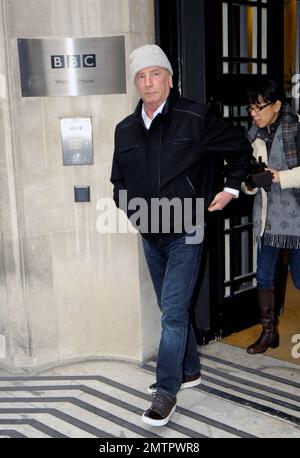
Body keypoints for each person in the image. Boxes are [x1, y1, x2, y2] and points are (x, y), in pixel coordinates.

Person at [110, 44, 252, 426]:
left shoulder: (195, 116)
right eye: (141, 76)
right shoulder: (124, 128)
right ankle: (189, 370)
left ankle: (165, 392)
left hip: (187, 228)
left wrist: (231, 189)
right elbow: (117, 181)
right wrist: (135, 213)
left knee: (172, 313)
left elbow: (240, 149)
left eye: (155, 74)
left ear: (169, 80)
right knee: (171, 309)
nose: (148, 82)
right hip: (150, 234)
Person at [244, 78, 300, 355]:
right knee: (265, 275)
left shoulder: (297, 127)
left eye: (259, 107)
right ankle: (269, 332)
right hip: (269, 217)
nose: (254, 114)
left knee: (299, 279)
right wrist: (251, 183)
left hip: (298, 218)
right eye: (251, 108)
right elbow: (244, 176)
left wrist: (280, 177)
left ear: (277, 105)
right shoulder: (253, 135)